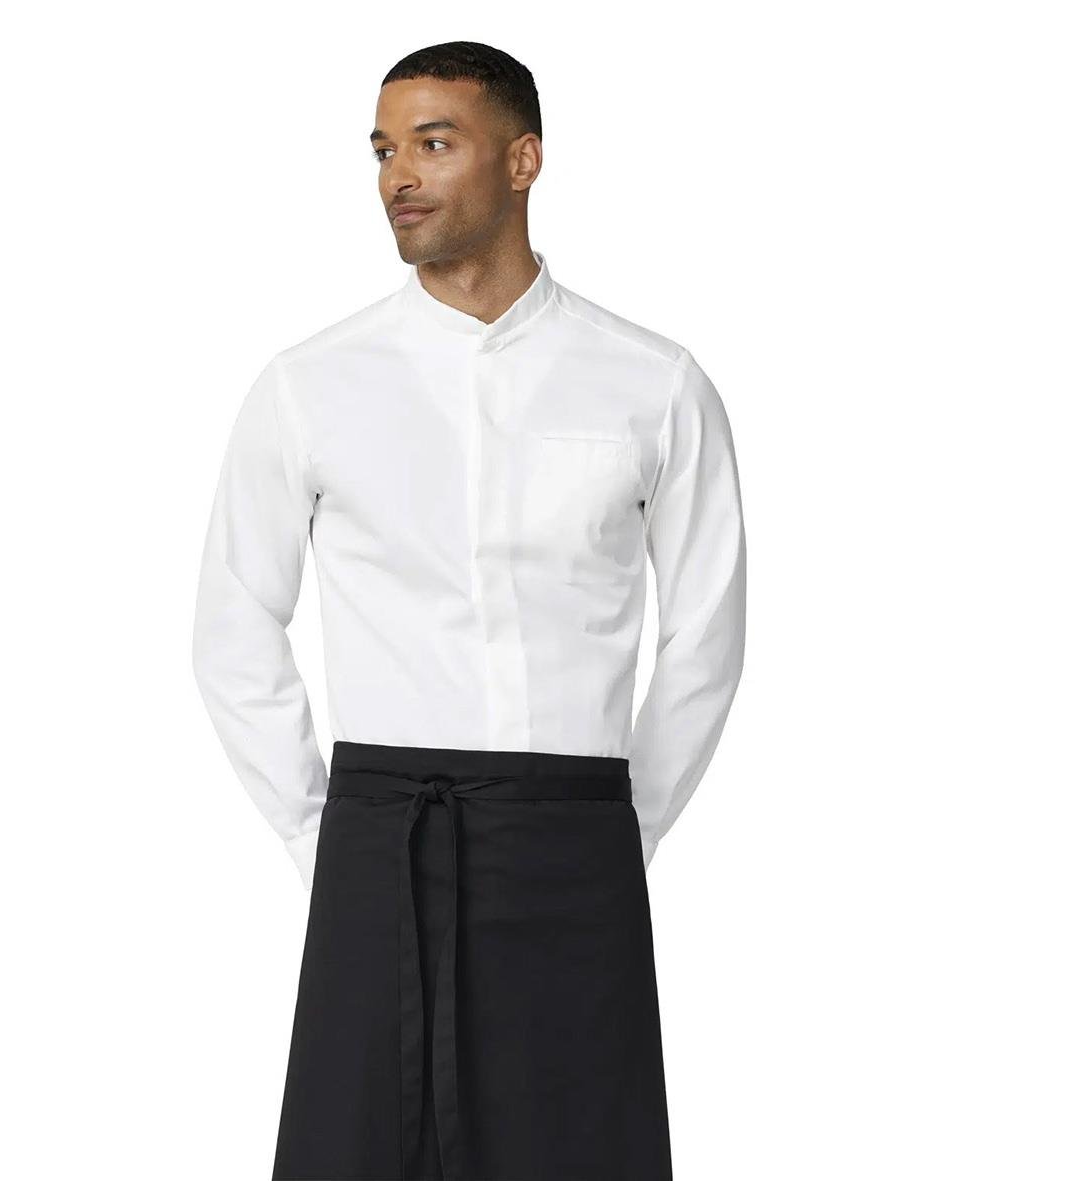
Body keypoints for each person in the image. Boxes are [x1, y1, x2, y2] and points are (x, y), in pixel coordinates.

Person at [191, 39, 746, 1181]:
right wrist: (320, 832)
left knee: (578, 1150)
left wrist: (616, 829)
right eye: (382, 149)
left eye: (433, 143)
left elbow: (705, 634)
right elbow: (234, 623)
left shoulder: (652, 382)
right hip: (378, 835)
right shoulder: (310, 384)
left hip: (573, 837)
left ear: (523, 159)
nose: (398, 175)